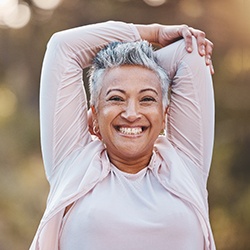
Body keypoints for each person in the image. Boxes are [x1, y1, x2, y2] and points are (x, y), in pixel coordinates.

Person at [30, 21, 215, 250]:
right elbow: (62, 47)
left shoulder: (186, 164)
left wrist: (146, 61)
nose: (131, 114)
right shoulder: (72, 164)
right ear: (93, 115)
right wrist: (153, 33)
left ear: (165, 114)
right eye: (116, 98)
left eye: (147, 99)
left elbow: (189, 53)